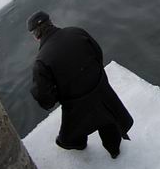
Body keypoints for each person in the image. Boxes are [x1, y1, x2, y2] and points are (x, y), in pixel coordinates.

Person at [28, 11, 133, 156]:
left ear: (35, 35)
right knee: (109, 120)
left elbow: (46, 99)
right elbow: (98, 53)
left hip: (77, 105)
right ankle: (114, 150)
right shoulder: (76, 32)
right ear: (51, 22)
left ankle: (80, 144)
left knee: (70, 136)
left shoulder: (41, 61)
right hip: (100, 89)